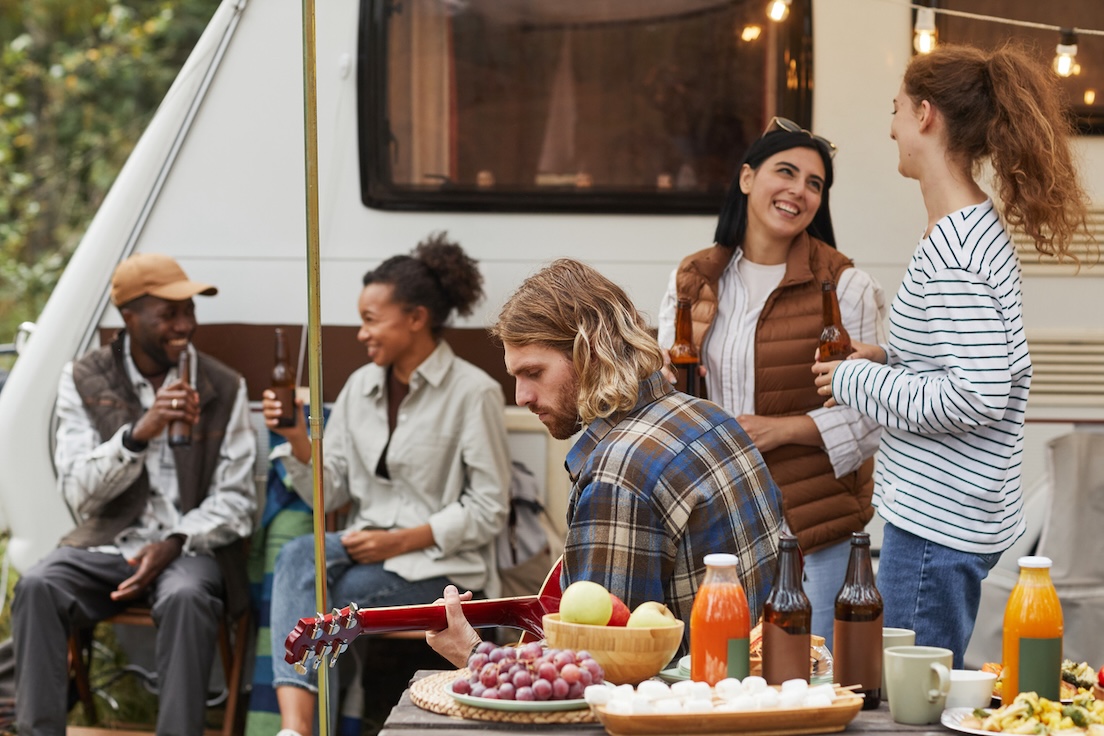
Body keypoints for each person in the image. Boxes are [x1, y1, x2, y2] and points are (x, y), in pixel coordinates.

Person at [813, 44, 1090, 668]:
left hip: (936, 527)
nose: (890, 128)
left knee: (913, 708)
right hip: (952, 516)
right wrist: (887, 357)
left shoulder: (955, 256)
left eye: (896, 109)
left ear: (927, 115)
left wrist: (855, 379)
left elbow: (975, 393)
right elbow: (966, 362)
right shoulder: (971, 230)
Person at [426, 258, 784, 668]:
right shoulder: (711, 418)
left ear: (590, 353)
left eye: (534, 372)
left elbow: (596, 673)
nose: (521, 396)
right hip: (757, 692)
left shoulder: (619, 475)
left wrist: (472, 655)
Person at [265, 234, 511, 736]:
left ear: (416, 318)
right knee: (296, 556)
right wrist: (295, 436)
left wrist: (402, 539)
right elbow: (327, 494)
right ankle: (297, 729)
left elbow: (490, 508)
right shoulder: (360, 386)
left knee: (331, 593)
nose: (361, 334)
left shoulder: (473, 393)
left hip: (443, 571)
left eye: (371, 320)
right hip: (364, 550)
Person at [656, 119, 886, 648]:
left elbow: (868, 416)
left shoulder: (844, 285)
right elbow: (668, 391)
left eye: (814, 183)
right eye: (786, 171)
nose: (799, 190)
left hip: (814, 525)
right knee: (722, 671)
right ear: (745, 178)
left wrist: (776, 431)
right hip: (716, 520)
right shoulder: (693, 279)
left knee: (815, 678)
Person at [13, 253, 257, 736]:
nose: (185, 325)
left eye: (189, 311)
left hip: (189, 547)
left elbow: (239, 500)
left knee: (188, 596)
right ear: (128, 317)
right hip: (108, 543)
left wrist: (175, 543)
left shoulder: (223, 386)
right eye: (169, 314)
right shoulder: (84, 378)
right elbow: (80, 492)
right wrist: (137, 435)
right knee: (38, 585)